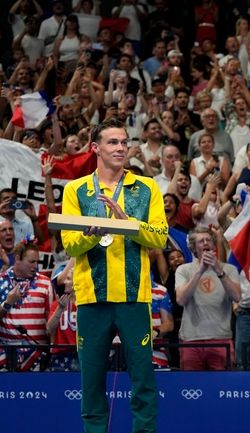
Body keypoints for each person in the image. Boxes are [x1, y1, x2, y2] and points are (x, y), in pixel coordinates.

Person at [61, 118, 168, 433]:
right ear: (95, 148)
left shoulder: (146, 187)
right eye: (112, 142)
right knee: (91, 383)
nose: (121, 148)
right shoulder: (76, 190)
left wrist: (126, 221)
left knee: (143, 381)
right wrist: (97, 233)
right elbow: (70, 242)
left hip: (134, 297)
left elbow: (160, 238)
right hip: (92, 298)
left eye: (124, 142)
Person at [175, 227, 242, 370]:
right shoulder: (184, 270)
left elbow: (237, 296)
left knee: (221, 387)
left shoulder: (229, 269)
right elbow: (181, 300)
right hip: (191, 339)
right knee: (190, 387)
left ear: (214, 245)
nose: (205, 243)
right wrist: (200, 271)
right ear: (193, 248)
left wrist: (218, 270)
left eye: (209, 240)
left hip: (221, 338)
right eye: (201, 241)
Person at [0, 242, 55, 371]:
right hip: (7, 356)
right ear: (17, 258)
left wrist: (52, 349)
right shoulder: (1, 281)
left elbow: (51, 321)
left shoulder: (45, 283)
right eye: (31, 262)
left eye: (37, 262)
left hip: (38, 356)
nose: (35, 266)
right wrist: (8, 303)